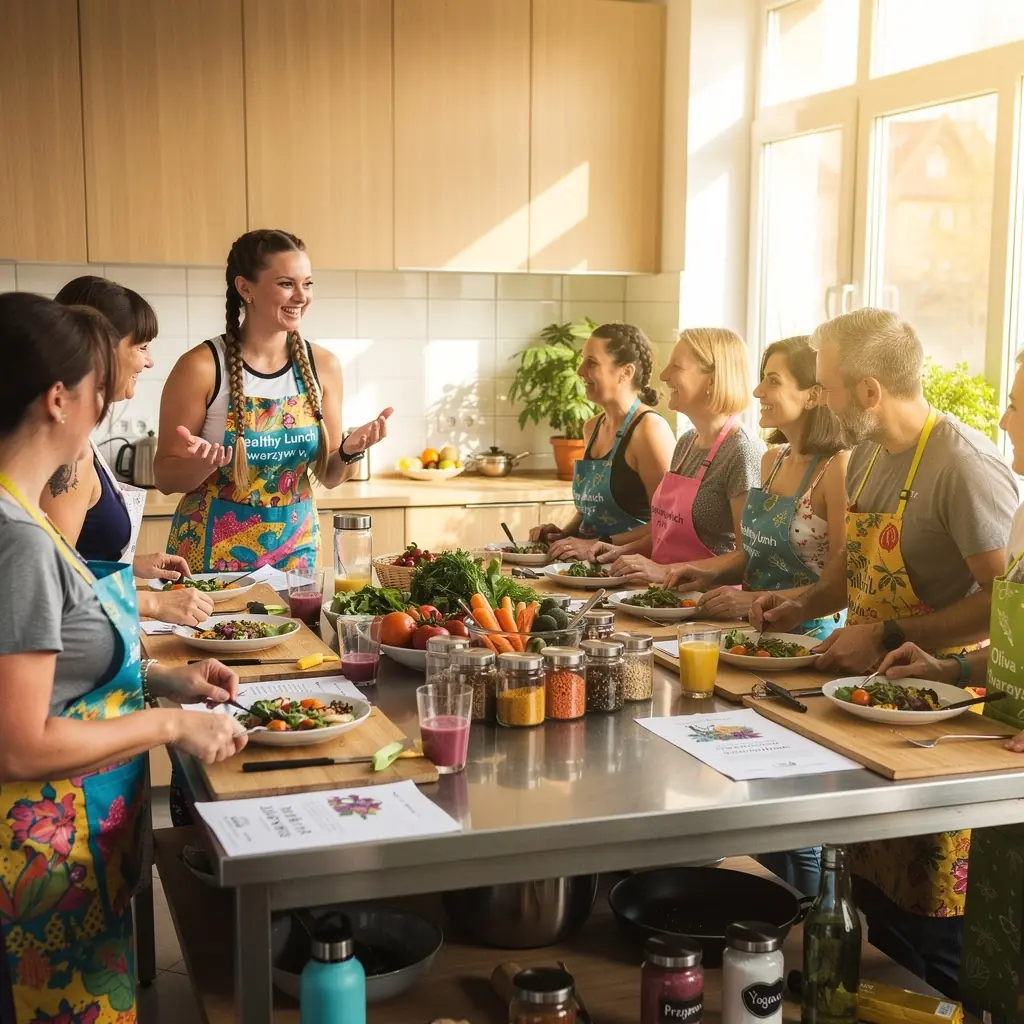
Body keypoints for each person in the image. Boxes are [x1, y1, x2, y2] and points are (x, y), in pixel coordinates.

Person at [751, 307, 1018, 1003]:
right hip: (865, 699)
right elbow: (847, 572)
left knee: (927, 925)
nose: (822, 398)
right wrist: (801, 607)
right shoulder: (865, 452)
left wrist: (896, 634)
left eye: (831, 386)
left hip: (938, 718)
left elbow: (1003, 603)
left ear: (870, 392)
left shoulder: (963, 464)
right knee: (867, 909)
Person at [0, 292, 247, 1024]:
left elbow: (57, 677)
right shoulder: (18, 541)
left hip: (69, 850)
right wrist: (172, 727)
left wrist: (163, 678)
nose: (104, 404)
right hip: (35, 869)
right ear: (57, 399)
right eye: (95, 390)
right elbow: (20, 742)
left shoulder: (24, 519)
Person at [155, 229, 393, 572]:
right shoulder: (202, 367)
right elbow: (164, 477)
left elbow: (328, 476)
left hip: (296, 556)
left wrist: (349, 450)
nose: (301, 296)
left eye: (307, 284)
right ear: (245, 288)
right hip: (210, 560)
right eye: (286, 283)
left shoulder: (322, 366)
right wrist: (202, 465)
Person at [39, 276, 214, 626]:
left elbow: (70, 556)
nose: (149, 362)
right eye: (142, 346)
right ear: (103, 346)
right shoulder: (68, 457)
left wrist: (129, 566)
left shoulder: (74, 439)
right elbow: (53, 587)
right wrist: (153, 603)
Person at [665, 336, 849, 638]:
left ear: (813, 395)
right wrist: (705, 572)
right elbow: (755, 553)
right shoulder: (772, 459)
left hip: (807, 637)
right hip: (753, 630)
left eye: (772, 381)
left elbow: (839, 585)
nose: (757, 391)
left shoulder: (836, 469)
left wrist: (749, 599)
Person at [593, 327, 762, 584]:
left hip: (710, 608)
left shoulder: (741, 451)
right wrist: (622, 552)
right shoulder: (686, 442)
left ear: (713, 379)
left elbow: (747, 555)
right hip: (666, 597)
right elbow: (667, 532)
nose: (663, 376)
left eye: (676, 367)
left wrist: (665, 571)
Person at [530, 323, 676, 560]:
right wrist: (565, 533)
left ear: (625, 373)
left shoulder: (649, 430)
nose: (579, 370)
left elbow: (668, 522)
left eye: (592, 363)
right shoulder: (592, 427)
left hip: (631, 570)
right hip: (592, 567)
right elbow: (593, 511)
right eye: (582, 360)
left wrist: (599, 543)